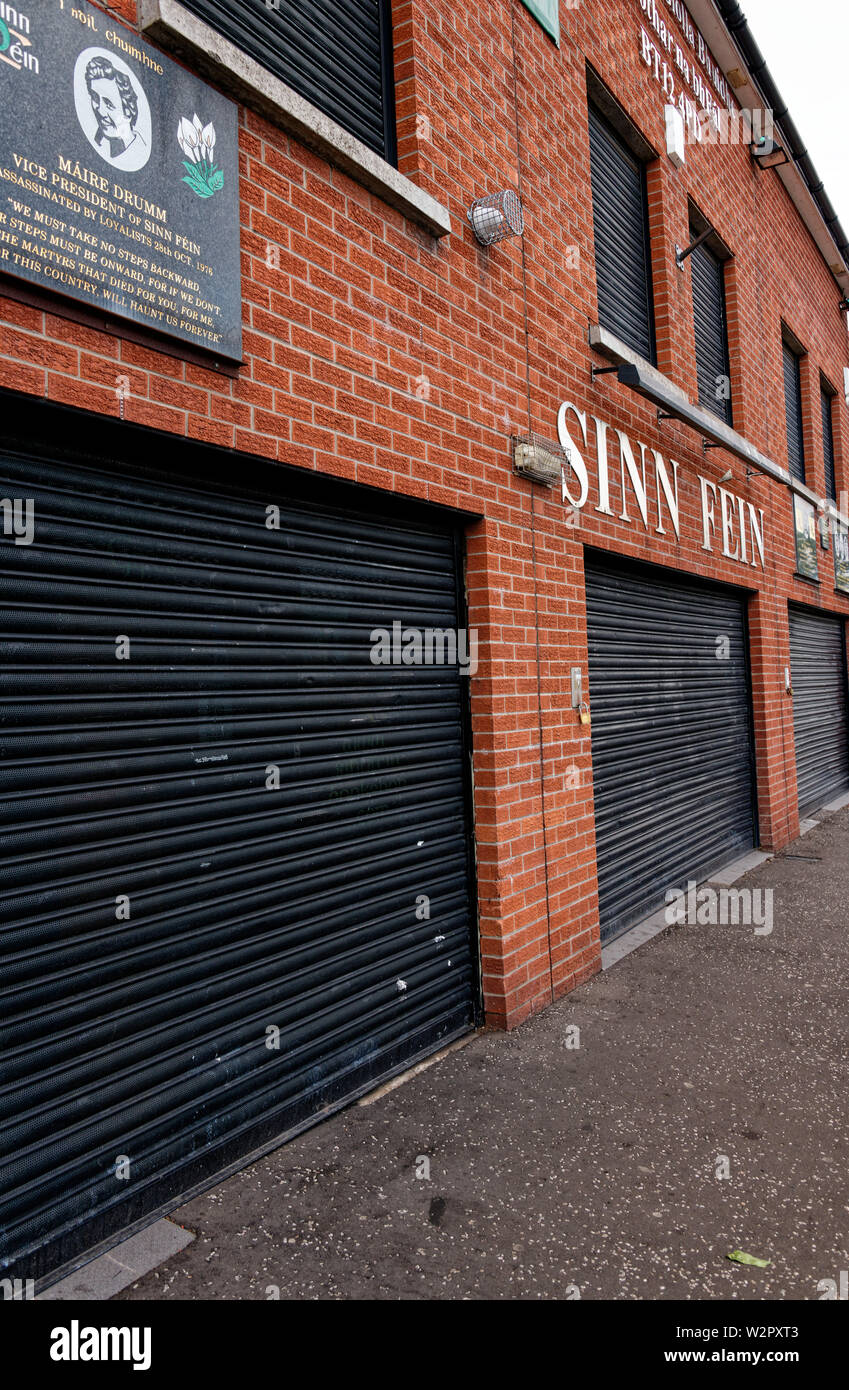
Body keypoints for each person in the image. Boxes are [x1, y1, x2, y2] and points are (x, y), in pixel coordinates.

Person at [84, 56, 147, 168]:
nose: (100, 111)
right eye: (95, 98)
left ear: (128, 110)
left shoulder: (138, 155)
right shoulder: (99, 144)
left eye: (109, 104)